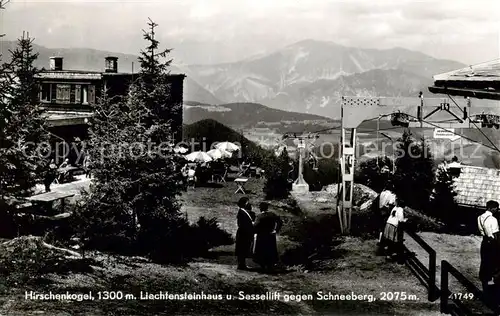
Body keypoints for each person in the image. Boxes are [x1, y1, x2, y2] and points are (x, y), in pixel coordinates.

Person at [253, 202, 282, 272]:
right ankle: (270, 265)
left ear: (260, 208)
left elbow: (255, 226)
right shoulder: (272, 215)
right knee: (270, 250)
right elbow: (280, 221)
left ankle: (263, 266)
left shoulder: (259, 216)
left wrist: (255, 230)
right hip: (270, 235)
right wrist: (276, 230)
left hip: (262, 236)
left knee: (261, 250)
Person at [478, 200, 500, 292]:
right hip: (492, 243)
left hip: (484, 243)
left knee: (485, 262)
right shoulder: (493, 219)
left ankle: (485, 283)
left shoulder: (479, 217)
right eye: (496, 208)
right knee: (495, 264)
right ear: (491, 208)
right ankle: (493, 286)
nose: (497, 210)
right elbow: (495, 235)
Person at [235, 197, 254, 270]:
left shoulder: (243, 211)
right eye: (247, 202)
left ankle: (242, 264)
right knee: (242, 249)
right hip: (243, 233)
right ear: (243, 203)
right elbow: (241, 224)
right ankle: (241, 265)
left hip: (244, 233)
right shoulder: (242, 212)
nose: (248, 203)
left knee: (243, 249)